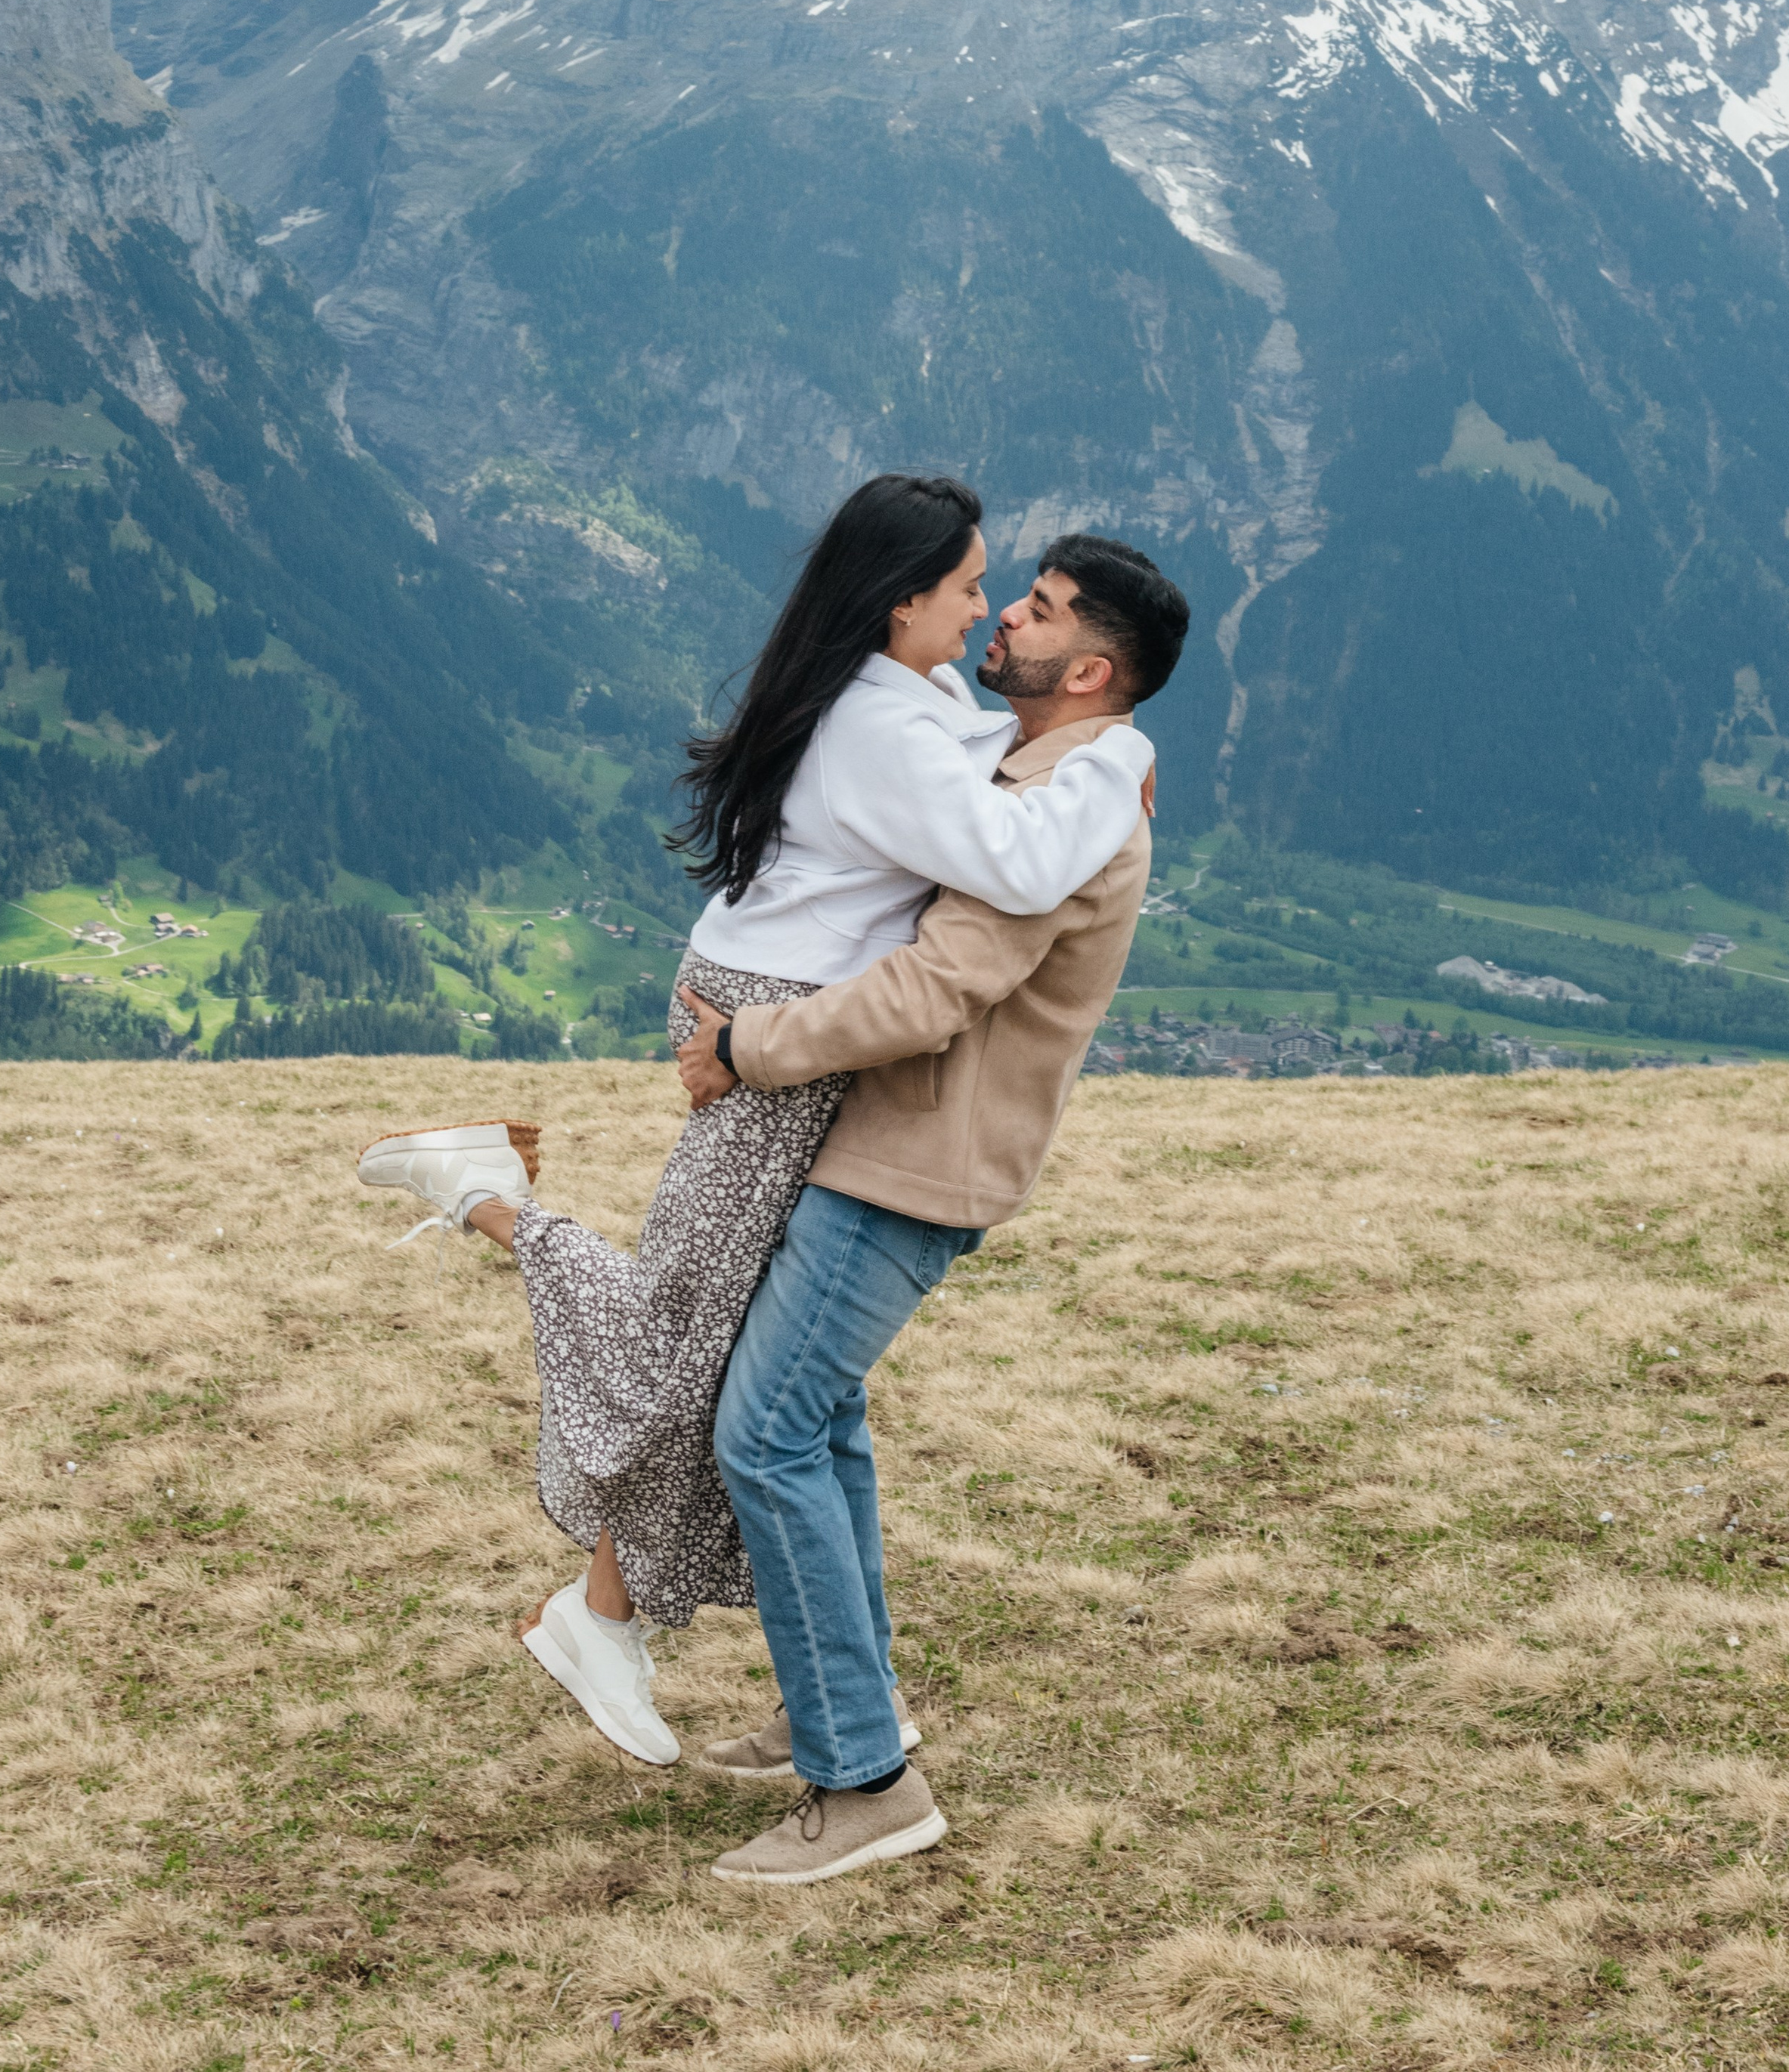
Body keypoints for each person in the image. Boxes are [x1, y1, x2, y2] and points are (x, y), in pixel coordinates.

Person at [354, 475, 1155, 1766]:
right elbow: (1006, 864)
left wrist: (1091, 756)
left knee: (718, 1348)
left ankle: (640, 1625)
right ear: (900, 601)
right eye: (968, 585)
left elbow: (987, 800)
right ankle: (488, 1200)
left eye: (1007, 592)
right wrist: (1118, 754)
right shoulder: (893, 726)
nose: (985, 608)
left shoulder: (913, 699)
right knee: (694, 1338)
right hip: (772, 1024)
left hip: (769, 1006)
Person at [670, 533, 1190, 1885]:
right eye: (1004, 590)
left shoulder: (1067, 803)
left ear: (1087, 668)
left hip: (916, 1164)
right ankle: (837, 1709)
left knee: (766, 1432)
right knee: (818, 1426)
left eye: (1039, 609)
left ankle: (866, 1786)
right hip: (891, 1147)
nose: (1005, 614)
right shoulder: (1029, 768)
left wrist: (745, 1050)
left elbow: (933, 991)